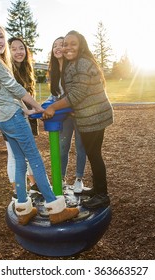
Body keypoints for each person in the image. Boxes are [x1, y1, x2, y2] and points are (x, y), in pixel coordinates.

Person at [0, 24, 79, 225]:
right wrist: (39, 107)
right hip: (13, 118)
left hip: (4, 118)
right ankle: (55, 208)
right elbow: (14, 88)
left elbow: (2, 97)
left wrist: (26, 110)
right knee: (35, 160)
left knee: (19, 160)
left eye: (1, 36)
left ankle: (23, 208)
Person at [42, 30, 114, 209]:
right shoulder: (73, 63)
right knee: (93, 154)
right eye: (65, 44)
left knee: (94, 155)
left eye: (72, 43)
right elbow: (74, 93)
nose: (67, 47)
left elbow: (77, 94)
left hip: (94, 117)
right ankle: (98, 190)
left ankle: (102, 195)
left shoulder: (81, 63)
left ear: (81, 45)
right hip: (91, 115)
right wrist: (68, 106)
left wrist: (53, 107)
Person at [47, 36, 88, 194]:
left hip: (79, 114)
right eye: (54, 45)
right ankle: (61, 179)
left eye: (61, 45)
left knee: (80, 146)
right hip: (64, 115)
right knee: (62, 147)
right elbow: (55, 95)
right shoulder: (53, 71)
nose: (58, 48)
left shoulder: (72, 66)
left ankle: (79, 178)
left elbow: (78, 92)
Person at [4, 37, 38, 195]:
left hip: (27, 116)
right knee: (14, 155)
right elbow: (13, 96)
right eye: (14, 49)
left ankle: (34, 184)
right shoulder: (7, 70)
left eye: (21, 48)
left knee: (29, 152)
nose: (18, 52)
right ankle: (17, 192)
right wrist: (27, 109)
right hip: (13, 117)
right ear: (8, 51)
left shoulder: (26, 70)